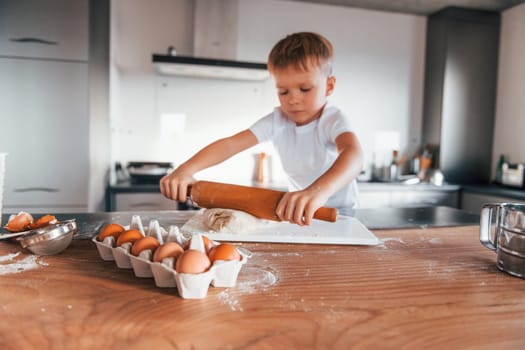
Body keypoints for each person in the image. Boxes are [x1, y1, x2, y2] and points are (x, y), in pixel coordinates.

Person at [160, 32, 364, 225]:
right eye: (283, 92)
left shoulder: (332, 119)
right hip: (298, 210)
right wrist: (185, 170)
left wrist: (318, 192)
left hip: (340, 213)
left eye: (305, 89)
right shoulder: (278, 120)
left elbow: (353, 155)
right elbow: (231, 145)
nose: (293, 99)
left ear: (329, 86)